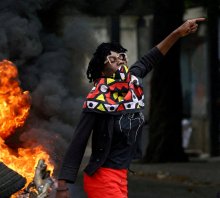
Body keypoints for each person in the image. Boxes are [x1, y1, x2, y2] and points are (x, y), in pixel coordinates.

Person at [56, 17, 206, 198]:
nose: (119, 61)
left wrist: (177, 33)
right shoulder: (97, 100)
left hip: (121, 176)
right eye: (112, 59)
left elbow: (152, 57)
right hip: (102, 177)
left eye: (121, 57)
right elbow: (78, 143)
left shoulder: (132, 82)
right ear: (103, 71)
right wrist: (62, 186)